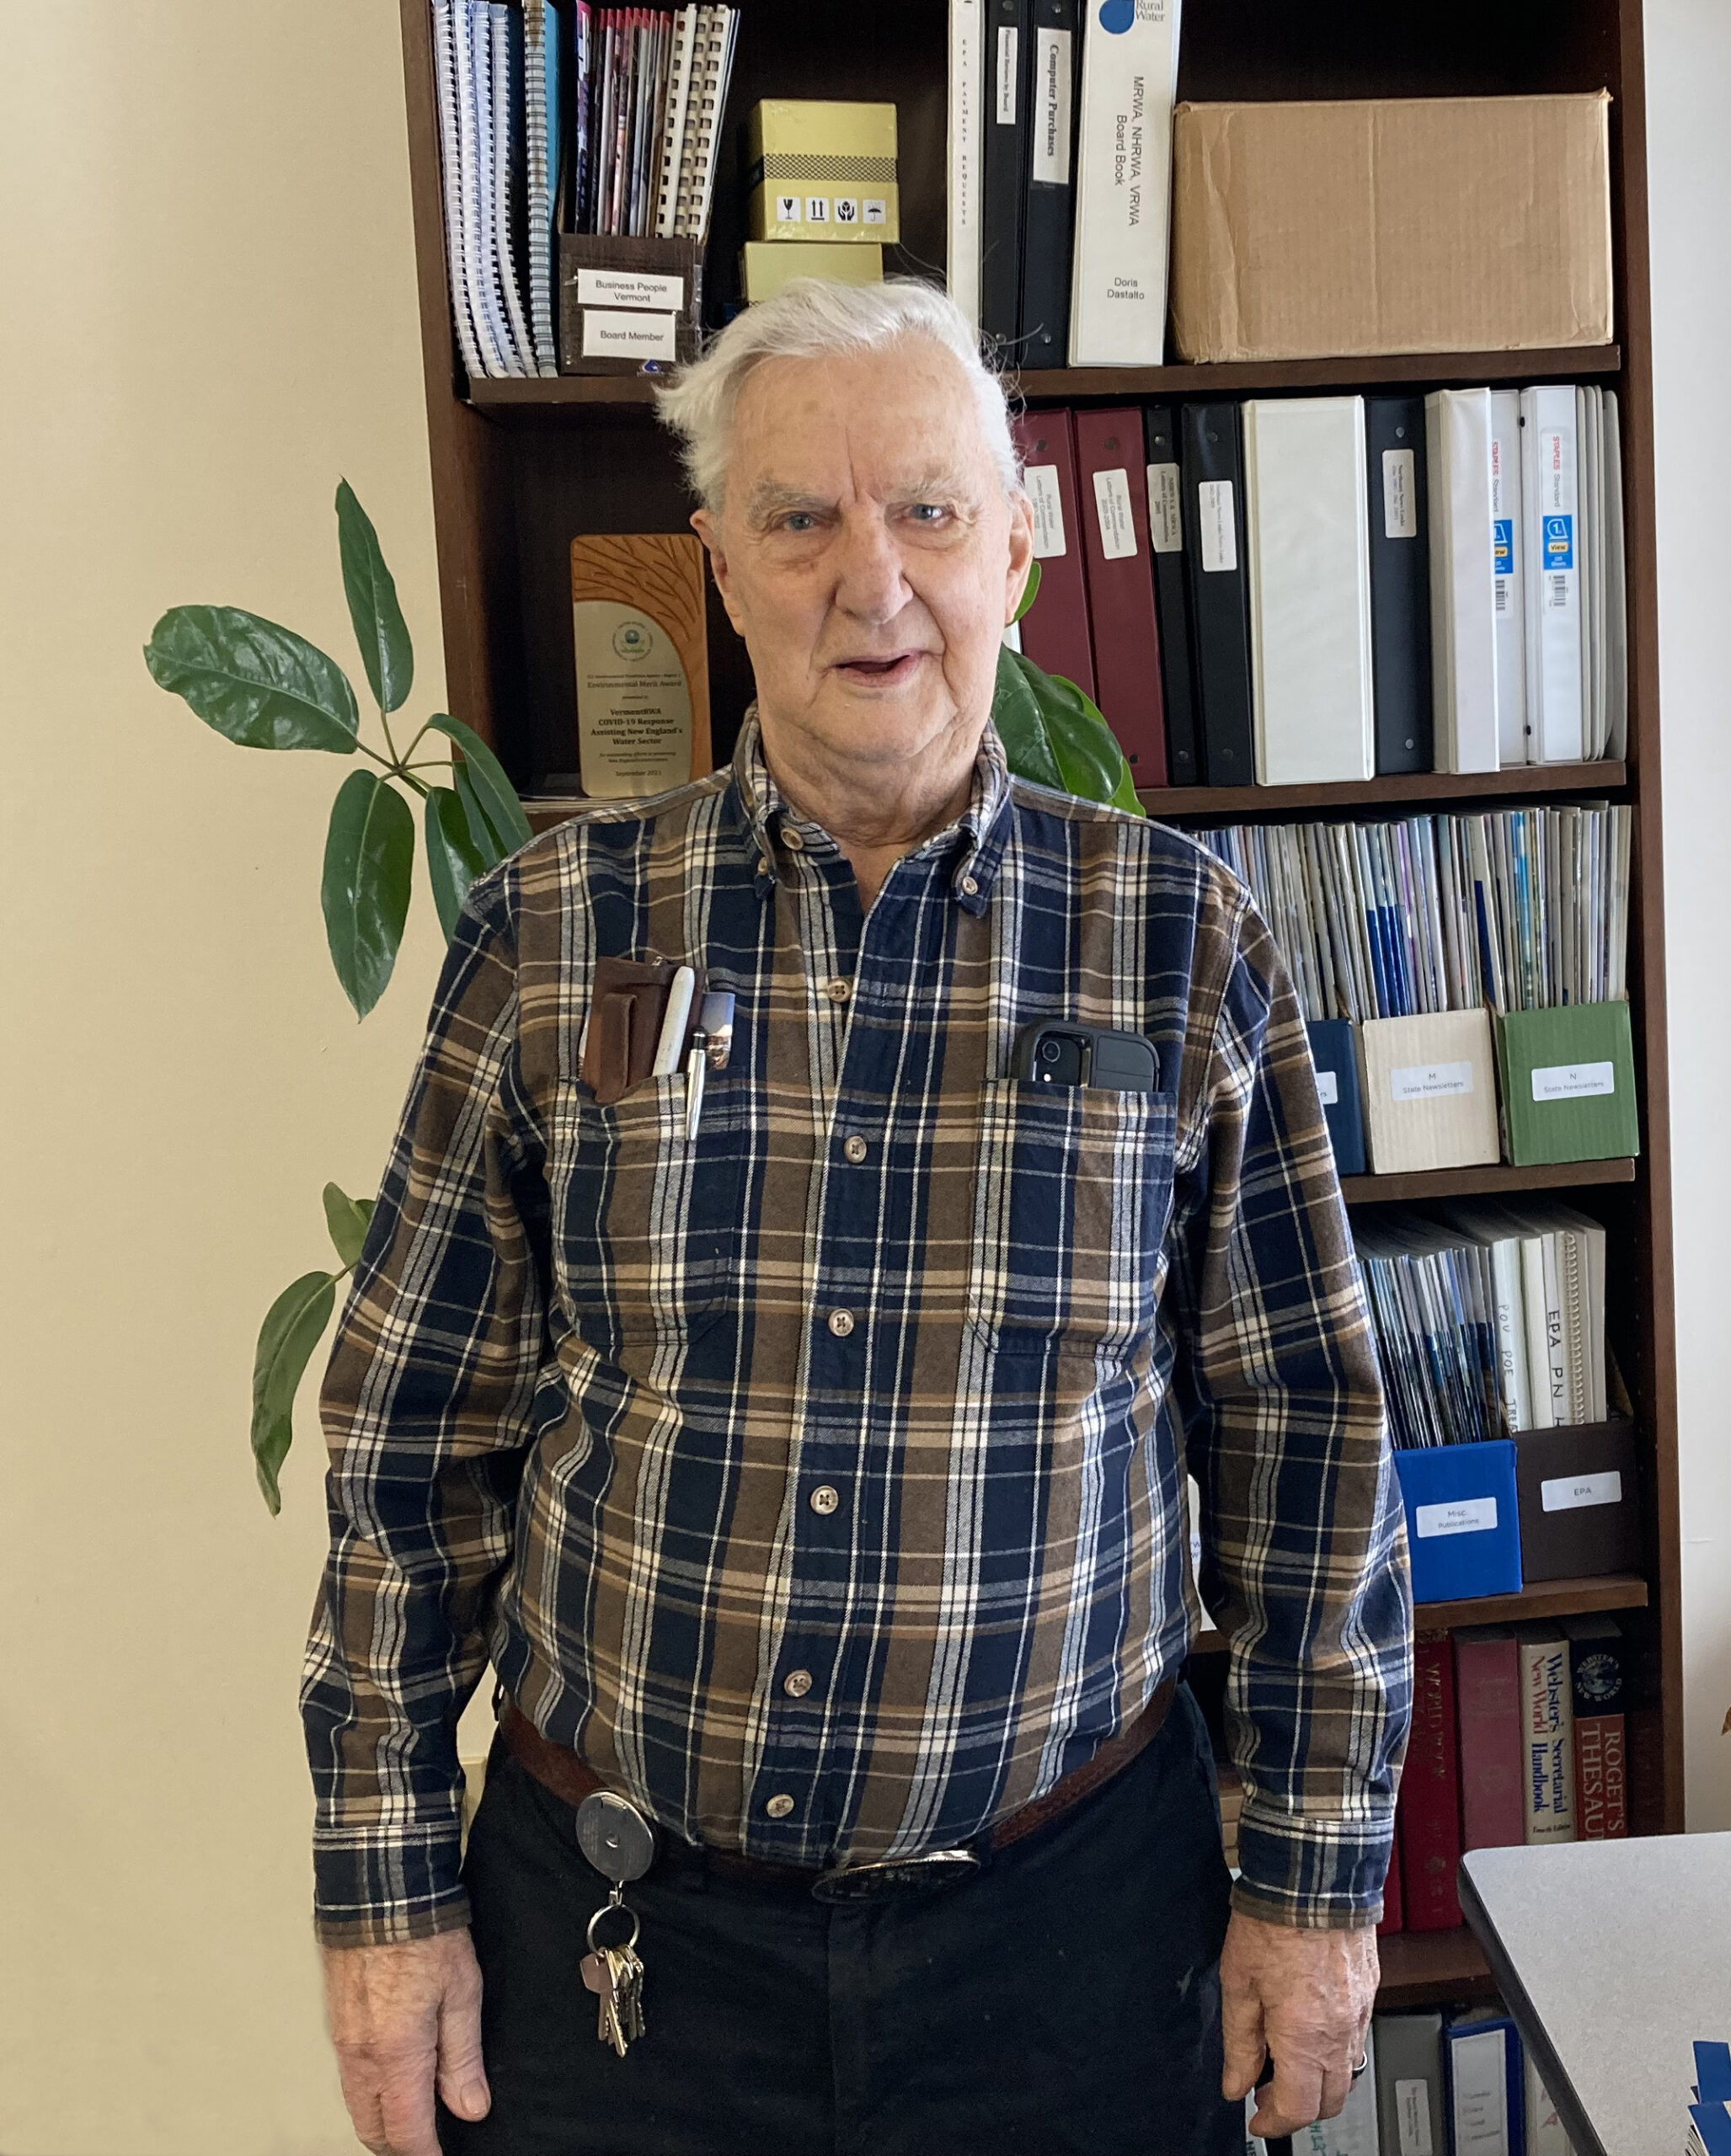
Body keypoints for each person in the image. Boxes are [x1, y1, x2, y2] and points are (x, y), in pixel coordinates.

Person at [302, 277, 1412, 2156]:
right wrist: (383, 1894)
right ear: (719, 564)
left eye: (926, 509)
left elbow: (1308, 1446)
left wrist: (1312, 1887)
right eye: (798, 517)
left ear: (1018, 551)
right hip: (617, 1958)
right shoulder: (546, 929)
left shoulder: (1180, 941)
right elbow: (413, 1461)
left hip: (1073, 1946)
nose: (867, 578)